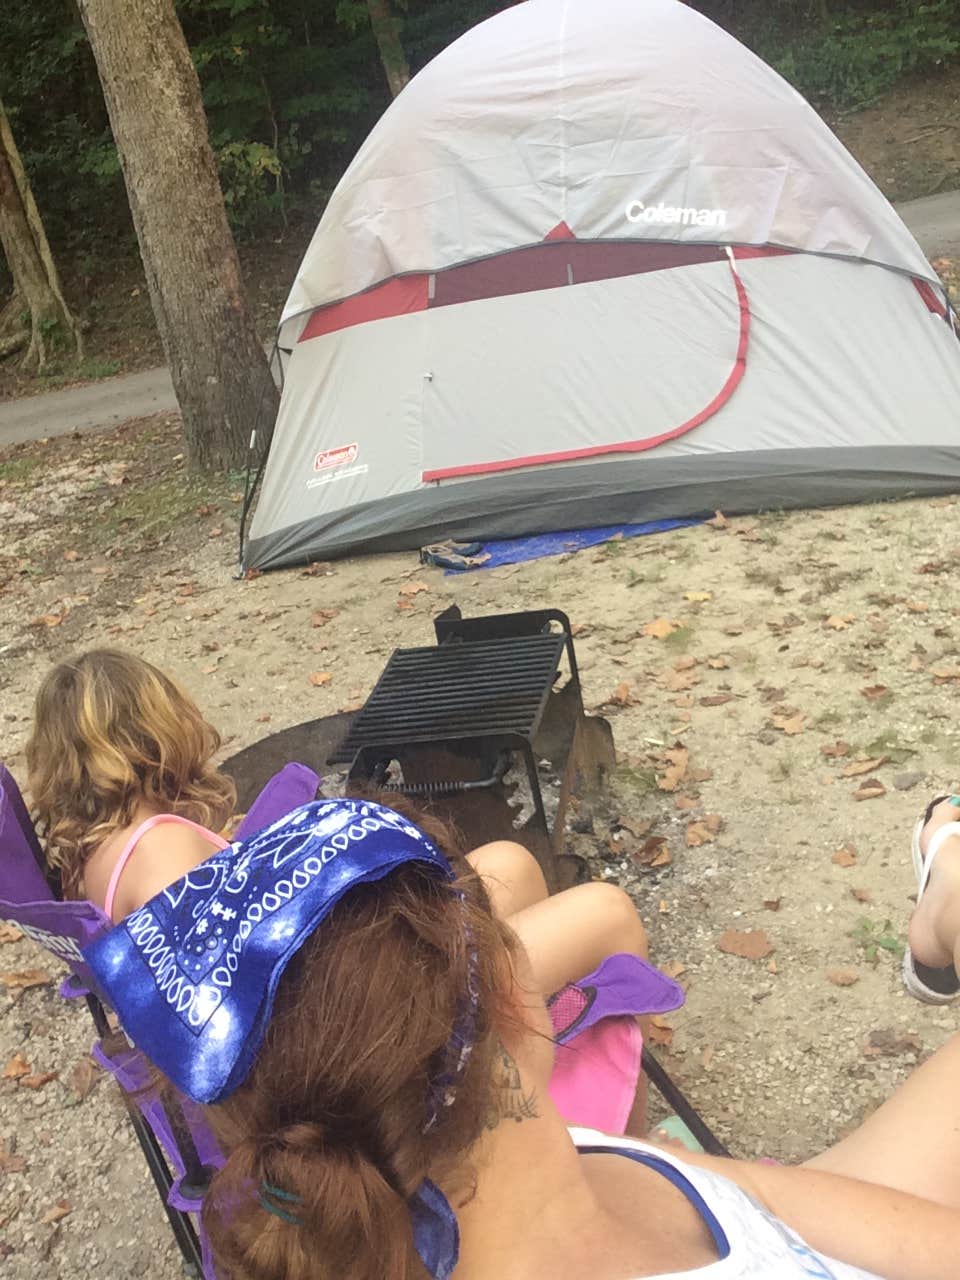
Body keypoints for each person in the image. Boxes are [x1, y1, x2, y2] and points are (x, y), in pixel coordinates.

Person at [85, 794, 960, 1280]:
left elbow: (784, 1203)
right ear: (513, 987)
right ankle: (943, 878)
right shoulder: (552, 1160)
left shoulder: (467, 1190)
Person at [25, 648, 650, 997]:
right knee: (607, 908)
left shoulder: (96, 854)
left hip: (334, 995)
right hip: (363, 1031)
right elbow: (254, 998)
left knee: (509, 864)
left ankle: (530, 1091)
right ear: (156, 729)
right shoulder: (163, 854)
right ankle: (620, 1147)